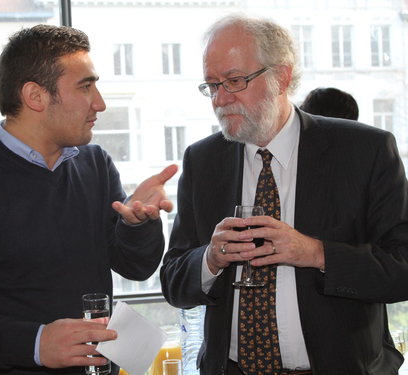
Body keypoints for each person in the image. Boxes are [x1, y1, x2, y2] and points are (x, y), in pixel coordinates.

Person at [160, 14, 408, 375]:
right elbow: (174, 282)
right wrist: (210, 259)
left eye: (234, 80)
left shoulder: (364, 150)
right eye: (211, 85)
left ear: (282, 76)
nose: (220, 98)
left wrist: (316, 253)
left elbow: (402, 267)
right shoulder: (203, 160)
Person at [0, 24, 177, 375]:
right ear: (36, 96)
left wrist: (137, 223)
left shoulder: (95, 164)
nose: (100, 103)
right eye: (86, 86)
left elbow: (136, 267)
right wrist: (35, 343)